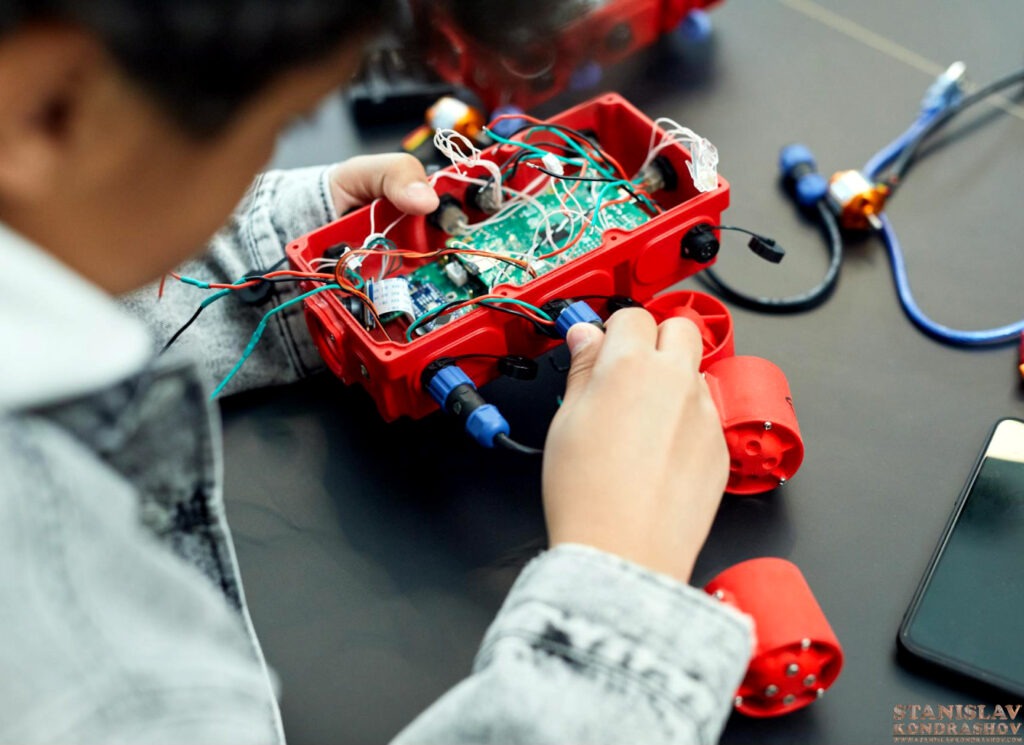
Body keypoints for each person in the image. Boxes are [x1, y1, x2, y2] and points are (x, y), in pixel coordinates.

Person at [0, 1, 753, 742]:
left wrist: (296, 253)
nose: (264, 154)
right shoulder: (103, 691)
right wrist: (618, 593)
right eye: (277, 126)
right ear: (52, 106)